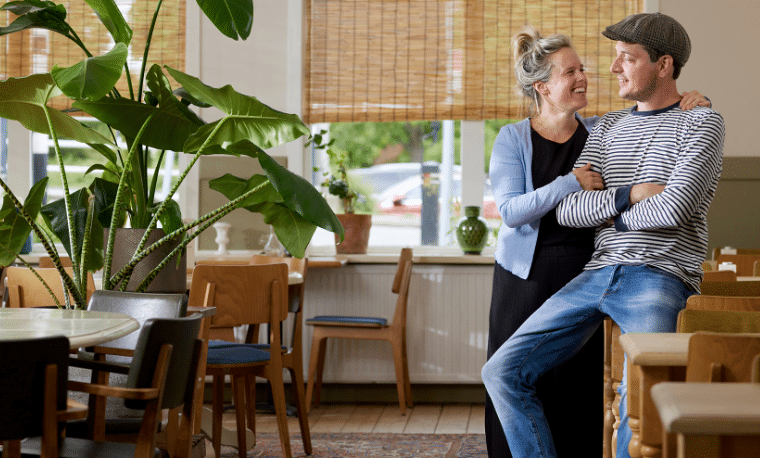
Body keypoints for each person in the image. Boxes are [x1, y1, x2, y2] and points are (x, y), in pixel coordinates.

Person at [482, 12, 724, 458]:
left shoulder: (701, 122)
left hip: (659, 273)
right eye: (613, 58)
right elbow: (572, 210)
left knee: (638, 396)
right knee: (501, 372)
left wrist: (610, 215)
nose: (610, 69)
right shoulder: (608, 126)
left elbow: (676, 207)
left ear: (664, 65)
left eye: (626, 59)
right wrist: (625, 200)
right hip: (595, 271)